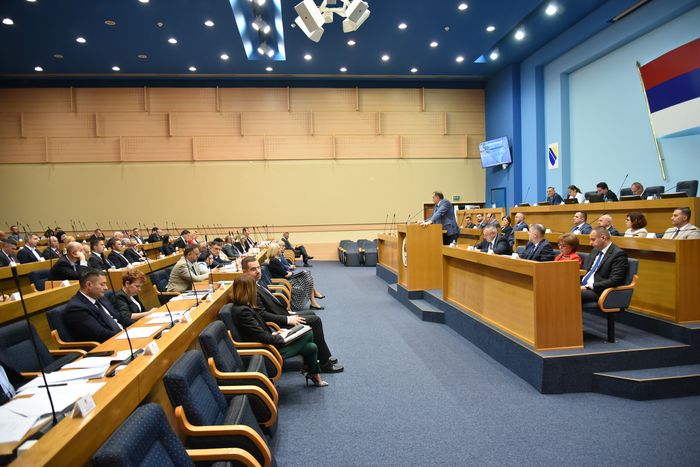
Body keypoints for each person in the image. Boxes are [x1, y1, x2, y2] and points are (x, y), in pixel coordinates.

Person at [241, 257, 343, 373]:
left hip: (281, 315)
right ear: (244, 272)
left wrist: (288, 313)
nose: (258, 271)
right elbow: (262, 315)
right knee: (315, 321)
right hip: (277, 324)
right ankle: (324, 362)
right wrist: (287, 319)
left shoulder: (257, 282)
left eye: (258, 268)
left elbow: (270, 304)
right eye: (253, 269)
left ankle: (320, 356)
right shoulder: (250, 289)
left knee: (311, 314)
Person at [229, 274, 328, 387]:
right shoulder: (243, 312)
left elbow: (258, 331)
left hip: (269, 342)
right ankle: (312, 370)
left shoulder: (245, 307)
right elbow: (261, 337)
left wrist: (275, 333)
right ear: (248, 291)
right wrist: (282, 338)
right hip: (267, 349)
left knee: (311, 347)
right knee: (308, 333)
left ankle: (314, 374)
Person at [64, 269, 132, 343]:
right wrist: (125, 336)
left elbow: (118, 317)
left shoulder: (100, 297)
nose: (106, 287)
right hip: (108, 343)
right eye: (102, 284)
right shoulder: (76, 308)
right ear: (89, 285)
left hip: (122, 336)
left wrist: (135, 326)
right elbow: (99, 334)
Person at [266, 243, 323, 310]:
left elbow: (283, 271)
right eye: (278, 249)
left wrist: (290, 273)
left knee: (307, 277)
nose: (280, 250)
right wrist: (291, 273)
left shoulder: (274, 260)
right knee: (307, 276)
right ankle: (314, 301)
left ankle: (313, 302)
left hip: (285, 280)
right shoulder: (274, 261)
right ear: (275, 251)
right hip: (285, 281)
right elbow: (286, 274)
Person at [581, 227, 629, 304]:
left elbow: (615, 280)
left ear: (603, 238)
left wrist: (588, 286)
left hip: (599, 290)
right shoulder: (595, 250)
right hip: (584, 285)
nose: (590, 243)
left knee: (572, 292)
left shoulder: (618, 254)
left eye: (593, 240)